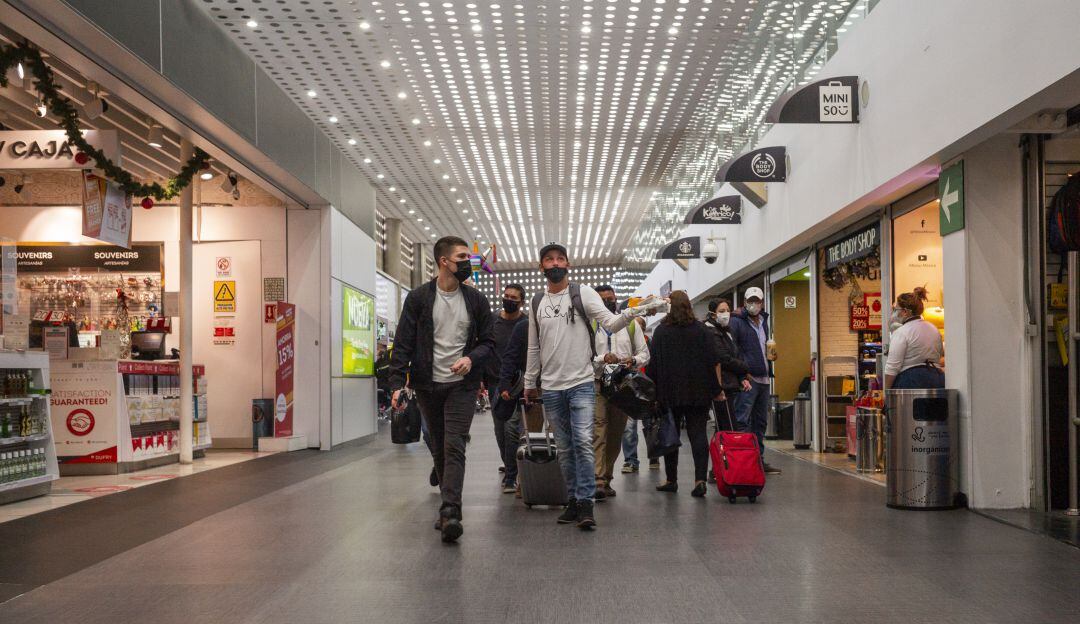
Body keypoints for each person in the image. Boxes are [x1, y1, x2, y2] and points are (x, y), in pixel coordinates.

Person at [523, 242, 652, 530]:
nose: (555, 264)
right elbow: (534, 347)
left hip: (582, 381)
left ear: (568, 264)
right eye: (549, 260)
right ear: (541, 266)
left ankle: (586, 502)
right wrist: (530, 383)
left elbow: (612, 322)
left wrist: (635, 311)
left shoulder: (583, 293)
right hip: (552, 387)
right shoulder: (536, 303)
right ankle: (572, 499)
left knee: (582, 442)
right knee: (565, 448)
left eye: (560, 259)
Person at [389, 235, 495, 543]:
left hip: (462, 385)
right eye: (462, 257)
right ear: (444, 262)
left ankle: (451, 511)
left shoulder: (475, 300)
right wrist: (396, 383)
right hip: (427, 383)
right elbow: (404, 341)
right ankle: (446, 500)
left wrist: (470, 359)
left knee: (454, 444)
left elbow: (488, 342)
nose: (468, 262)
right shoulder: (419, 298)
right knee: (437, 444)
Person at [646, 291, 724, 497]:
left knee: (670, 435)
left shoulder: (662, 332)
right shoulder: (702, 330)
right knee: (698, 434)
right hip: (698, 392)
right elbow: (712, 361)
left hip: (669, 393)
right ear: (689, 306)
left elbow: (652, 366)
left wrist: (653, 394)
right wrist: (717, 390)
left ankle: (671, 480)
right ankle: (699, 480)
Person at [592, 285, 649, 500]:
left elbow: (644, 354)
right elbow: (586, 355)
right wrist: (602, 358)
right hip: (597, 383)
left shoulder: (631, 324)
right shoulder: (591, 325)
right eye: (603, 299)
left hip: (623, 385)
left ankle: (606, 477)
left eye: (611, 298)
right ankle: (597, 479)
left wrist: (632, 360)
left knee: (617, 432)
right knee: (598, 429)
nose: (608, 301)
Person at [728, 287, 782, 475]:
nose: (754, 304)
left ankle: (758, 459)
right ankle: (742, 460)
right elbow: (732, 349)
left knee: (760, 422)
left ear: (762, 303)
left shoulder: (763, 321)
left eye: (757, 301)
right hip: (749, 380)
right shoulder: (736, 322)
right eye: (751, 301)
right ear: (744, 302)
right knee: (742, 420)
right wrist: (743, 373)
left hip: (764, 378)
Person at [488, 283, 528, 493]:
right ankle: (509, 464)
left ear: (521, 302)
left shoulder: (527, 323)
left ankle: (512, 476)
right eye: (506, 296)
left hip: (519, 383)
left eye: (514, 297)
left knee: (512, 429)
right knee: (500, 431)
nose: (509, 300)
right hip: (495, 382)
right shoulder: (493, 321)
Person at [884, 287, 945, 389]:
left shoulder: (901, 332)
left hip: (911, 383)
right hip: (937, 380)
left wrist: (886, 393)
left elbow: (892, 368)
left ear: (905, 312)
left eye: (896, 309)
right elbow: (939, 356)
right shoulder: (934, 329)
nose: (894, 313)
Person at [704, 298, 752, 424]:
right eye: (721, 311)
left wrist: (742, 377)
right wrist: (745, 367)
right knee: (727, 425)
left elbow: (735, 353)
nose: (726, 314)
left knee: (728, 425)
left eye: (728, 310)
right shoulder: (710, 331)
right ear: (713, 313)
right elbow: (723, 358)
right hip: (721, 385)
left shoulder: (726, 331)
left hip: (730, 384)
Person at [621, 317, 651, 474]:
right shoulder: (622, 341)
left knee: (650, 423)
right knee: (629, 426)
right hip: (630, 386)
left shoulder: (648, 342)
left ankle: (654, 455)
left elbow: (651, 362)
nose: (640, 327)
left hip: (646, 388)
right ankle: (631, 460)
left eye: (643, 325)